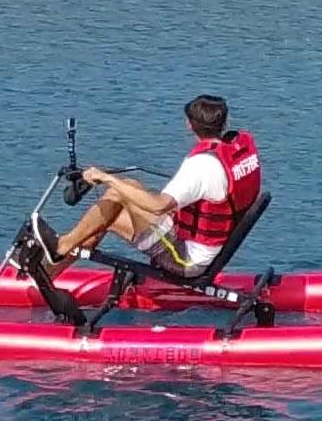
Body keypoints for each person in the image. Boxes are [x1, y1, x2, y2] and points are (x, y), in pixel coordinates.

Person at [18, 95, 263, 282]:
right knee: (120, 201)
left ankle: (60, 247)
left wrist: (105, 177)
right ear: (225, 121)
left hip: (188, 259)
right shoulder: (237, 151)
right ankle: (50, 274)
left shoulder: (201, 166)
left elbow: (159, 206)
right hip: (210, 245)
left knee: (117, 192)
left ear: (189, 126)